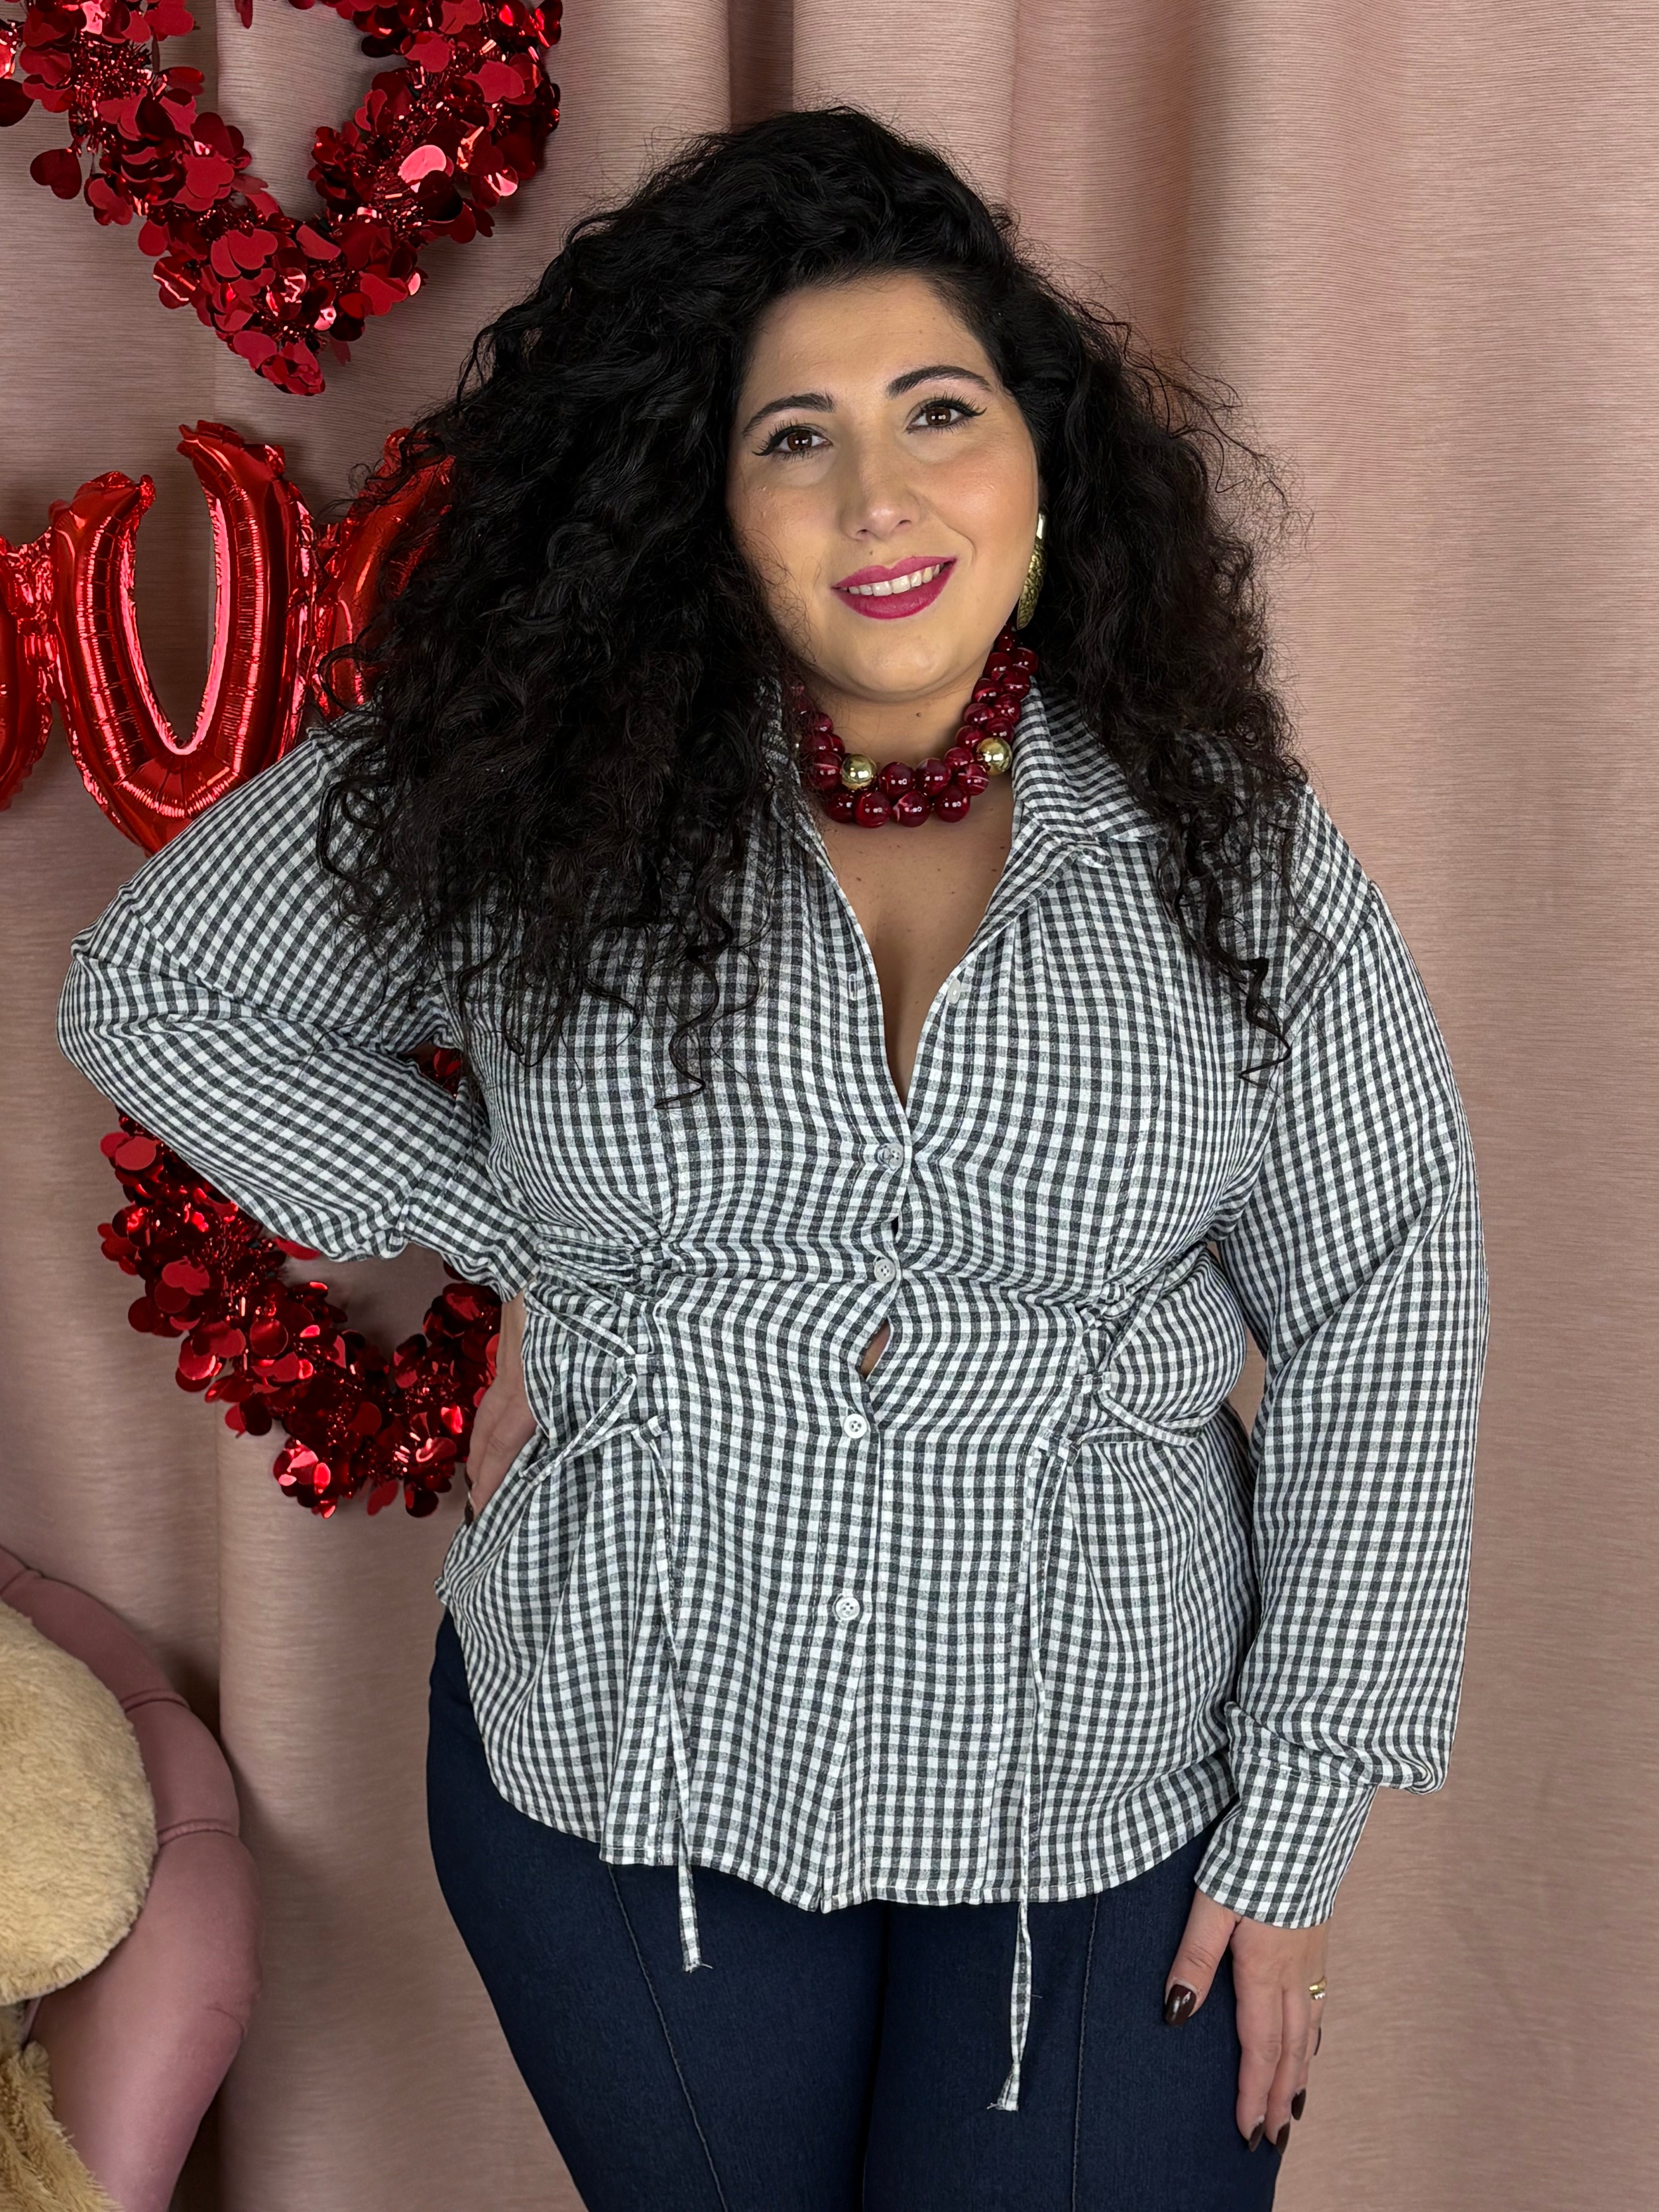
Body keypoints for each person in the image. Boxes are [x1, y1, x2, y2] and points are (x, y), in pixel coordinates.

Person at [57, 106, 1489, 2212]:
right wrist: (517, 1226)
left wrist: (1292, 1828)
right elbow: (160, 989)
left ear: (1042, 465)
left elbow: (1388, 1312)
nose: (879, 492)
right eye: (793, 437)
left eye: (939, 410)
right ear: (704, 507)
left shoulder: (1233, 854)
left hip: (1114, 1787)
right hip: (628, 1776)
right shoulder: (536, 790)